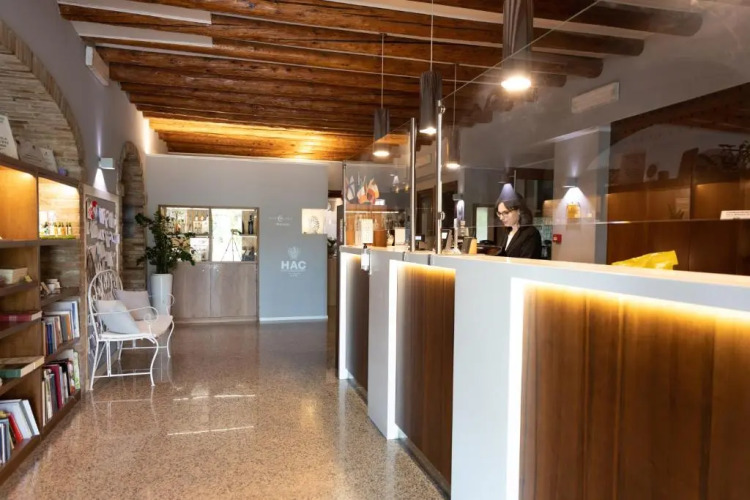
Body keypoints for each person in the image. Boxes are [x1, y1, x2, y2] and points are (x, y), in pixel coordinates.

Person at [495, 193, 542, 259]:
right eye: (499, 213)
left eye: (506, 213)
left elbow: (527, 261)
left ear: (519, 211)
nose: (501, 218)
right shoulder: (506, 232)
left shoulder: (531, 233)